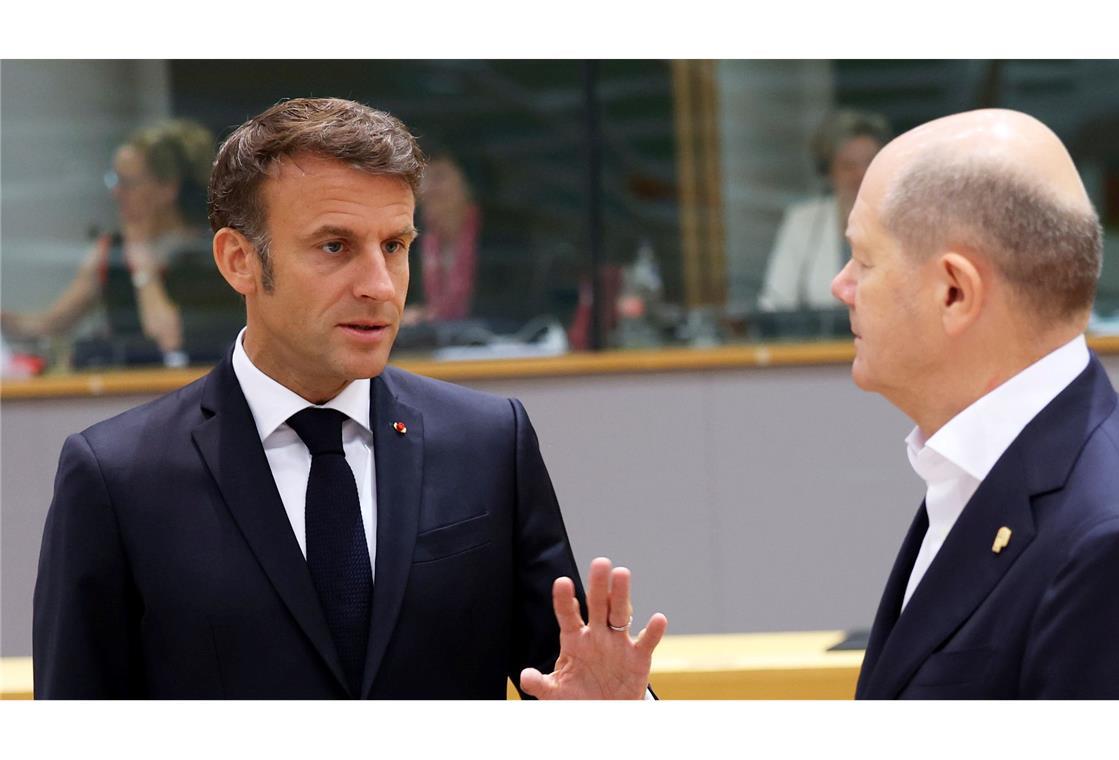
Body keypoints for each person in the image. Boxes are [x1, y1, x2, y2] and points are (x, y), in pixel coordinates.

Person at [32, 97, 666, 699]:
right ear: (238, 261)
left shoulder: (488, 442)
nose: (379, 286)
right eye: (335, 247)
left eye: (395, 246)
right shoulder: (118, 476)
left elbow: (567, 678)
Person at [830, 108, 1119, 698]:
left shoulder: (1113, 542)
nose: (841, 286)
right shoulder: (984, 473)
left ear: (955, 292)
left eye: (864, 260)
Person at [2, 119, 240, 367]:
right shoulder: (109, 249)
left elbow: (168, 339)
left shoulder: (206, 252)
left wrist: (143, 266)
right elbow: (51, 325)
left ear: (167, 189)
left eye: (127, 183)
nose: (116, 193)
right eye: (114, 180)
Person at [758, 109, 891, 312]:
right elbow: (775, 304)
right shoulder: (802, 221)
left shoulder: (902, 220)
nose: (860, 174)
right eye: (848, 166)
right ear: (828, 172)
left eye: (869, 162)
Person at [404, 154, 481, 325]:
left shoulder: (501, 240)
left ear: (467, 184)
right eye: (422, 179)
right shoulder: (409, 239)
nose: (427, 188)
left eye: (438, 177)